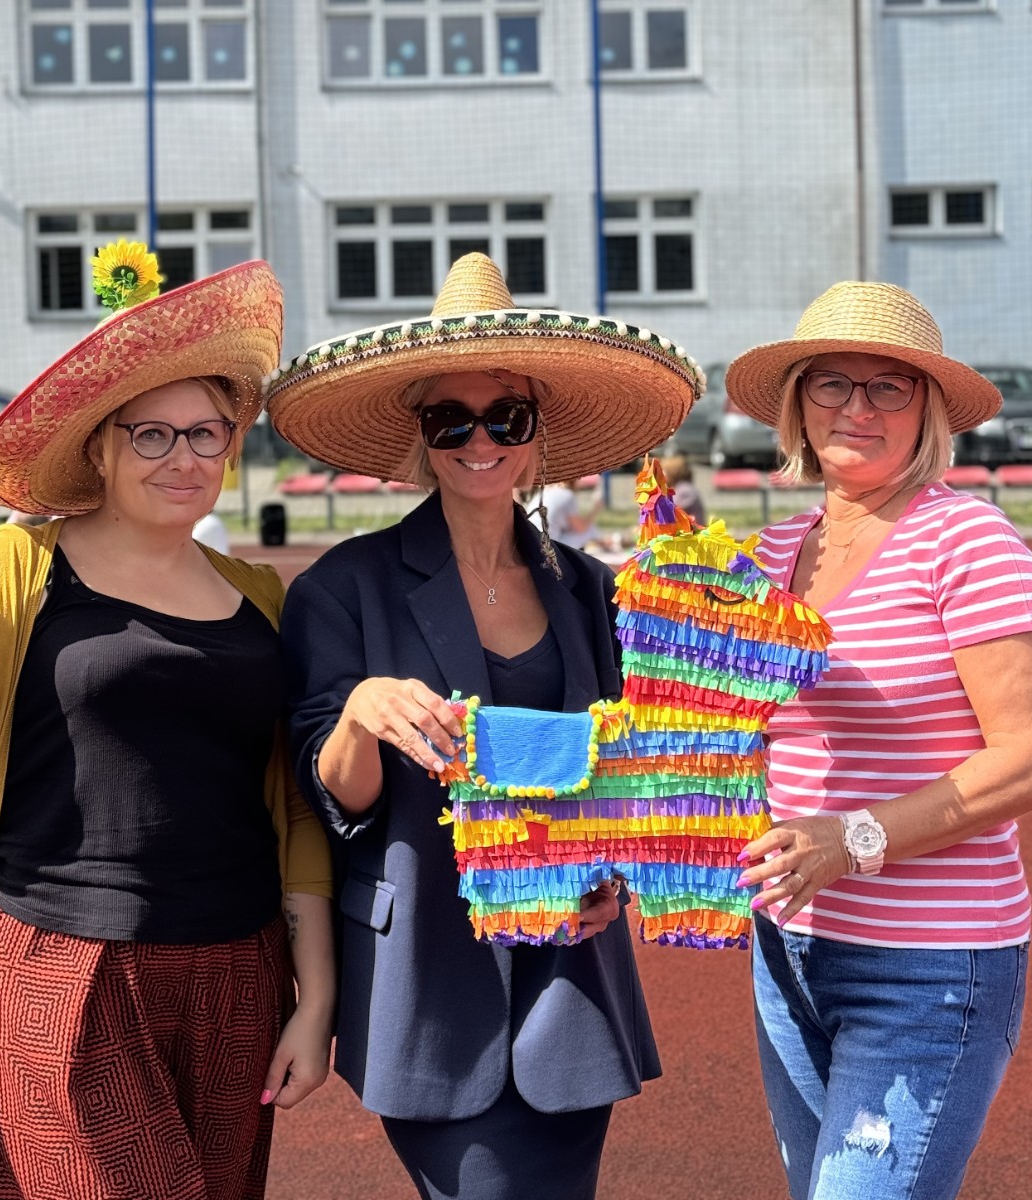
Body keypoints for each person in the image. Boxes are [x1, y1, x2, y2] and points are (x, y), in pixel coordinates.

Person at [0, 247, 334, 1200]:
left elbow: (295, 808)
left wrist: (315, 992)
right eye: (151, 434)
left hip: (238, 968)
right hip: (64, 964)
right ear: (99, 447)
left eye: (205, 434)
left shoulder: (261, 597)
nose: (183, 458)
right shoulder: (21, 566)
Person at [265, 253, 703, 1200]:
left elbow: (631, 772)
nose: (480, 440)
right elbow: (333, 800)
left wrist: (615, 880)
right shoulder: (344, 587)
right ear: (421, 436)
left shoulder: (592, 590)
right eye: (450, 420)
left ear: (538, 432)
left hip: (572, 981)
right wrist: (360, 715)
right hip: (425, 979)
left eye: (507, 416)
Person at [724, 281, 1032, 1200]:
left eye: (889, 386)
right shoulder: (767, 557)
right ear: (797, 405)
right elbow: (731, 744)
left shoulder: (969, 544)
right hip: (786, 950)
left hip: (927, 970)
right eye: (831, 383)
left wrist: (852, 838)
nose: (858, 408)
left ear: (928, 411)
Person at [524, 477, 601, 549]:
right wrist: (595, 510)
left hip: (531, 539)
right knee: (590, 530)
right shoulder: (568, 495)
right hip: (548, 545)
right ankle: (604, 544)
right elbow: (581, 528)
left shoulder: (545, 492)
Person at [659, 454, 704, 525]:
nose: (661, 475)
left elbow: (670, 512)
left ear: (673, 472)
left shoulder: (685, 490)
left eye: (663, 471)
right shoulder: (677, 488)